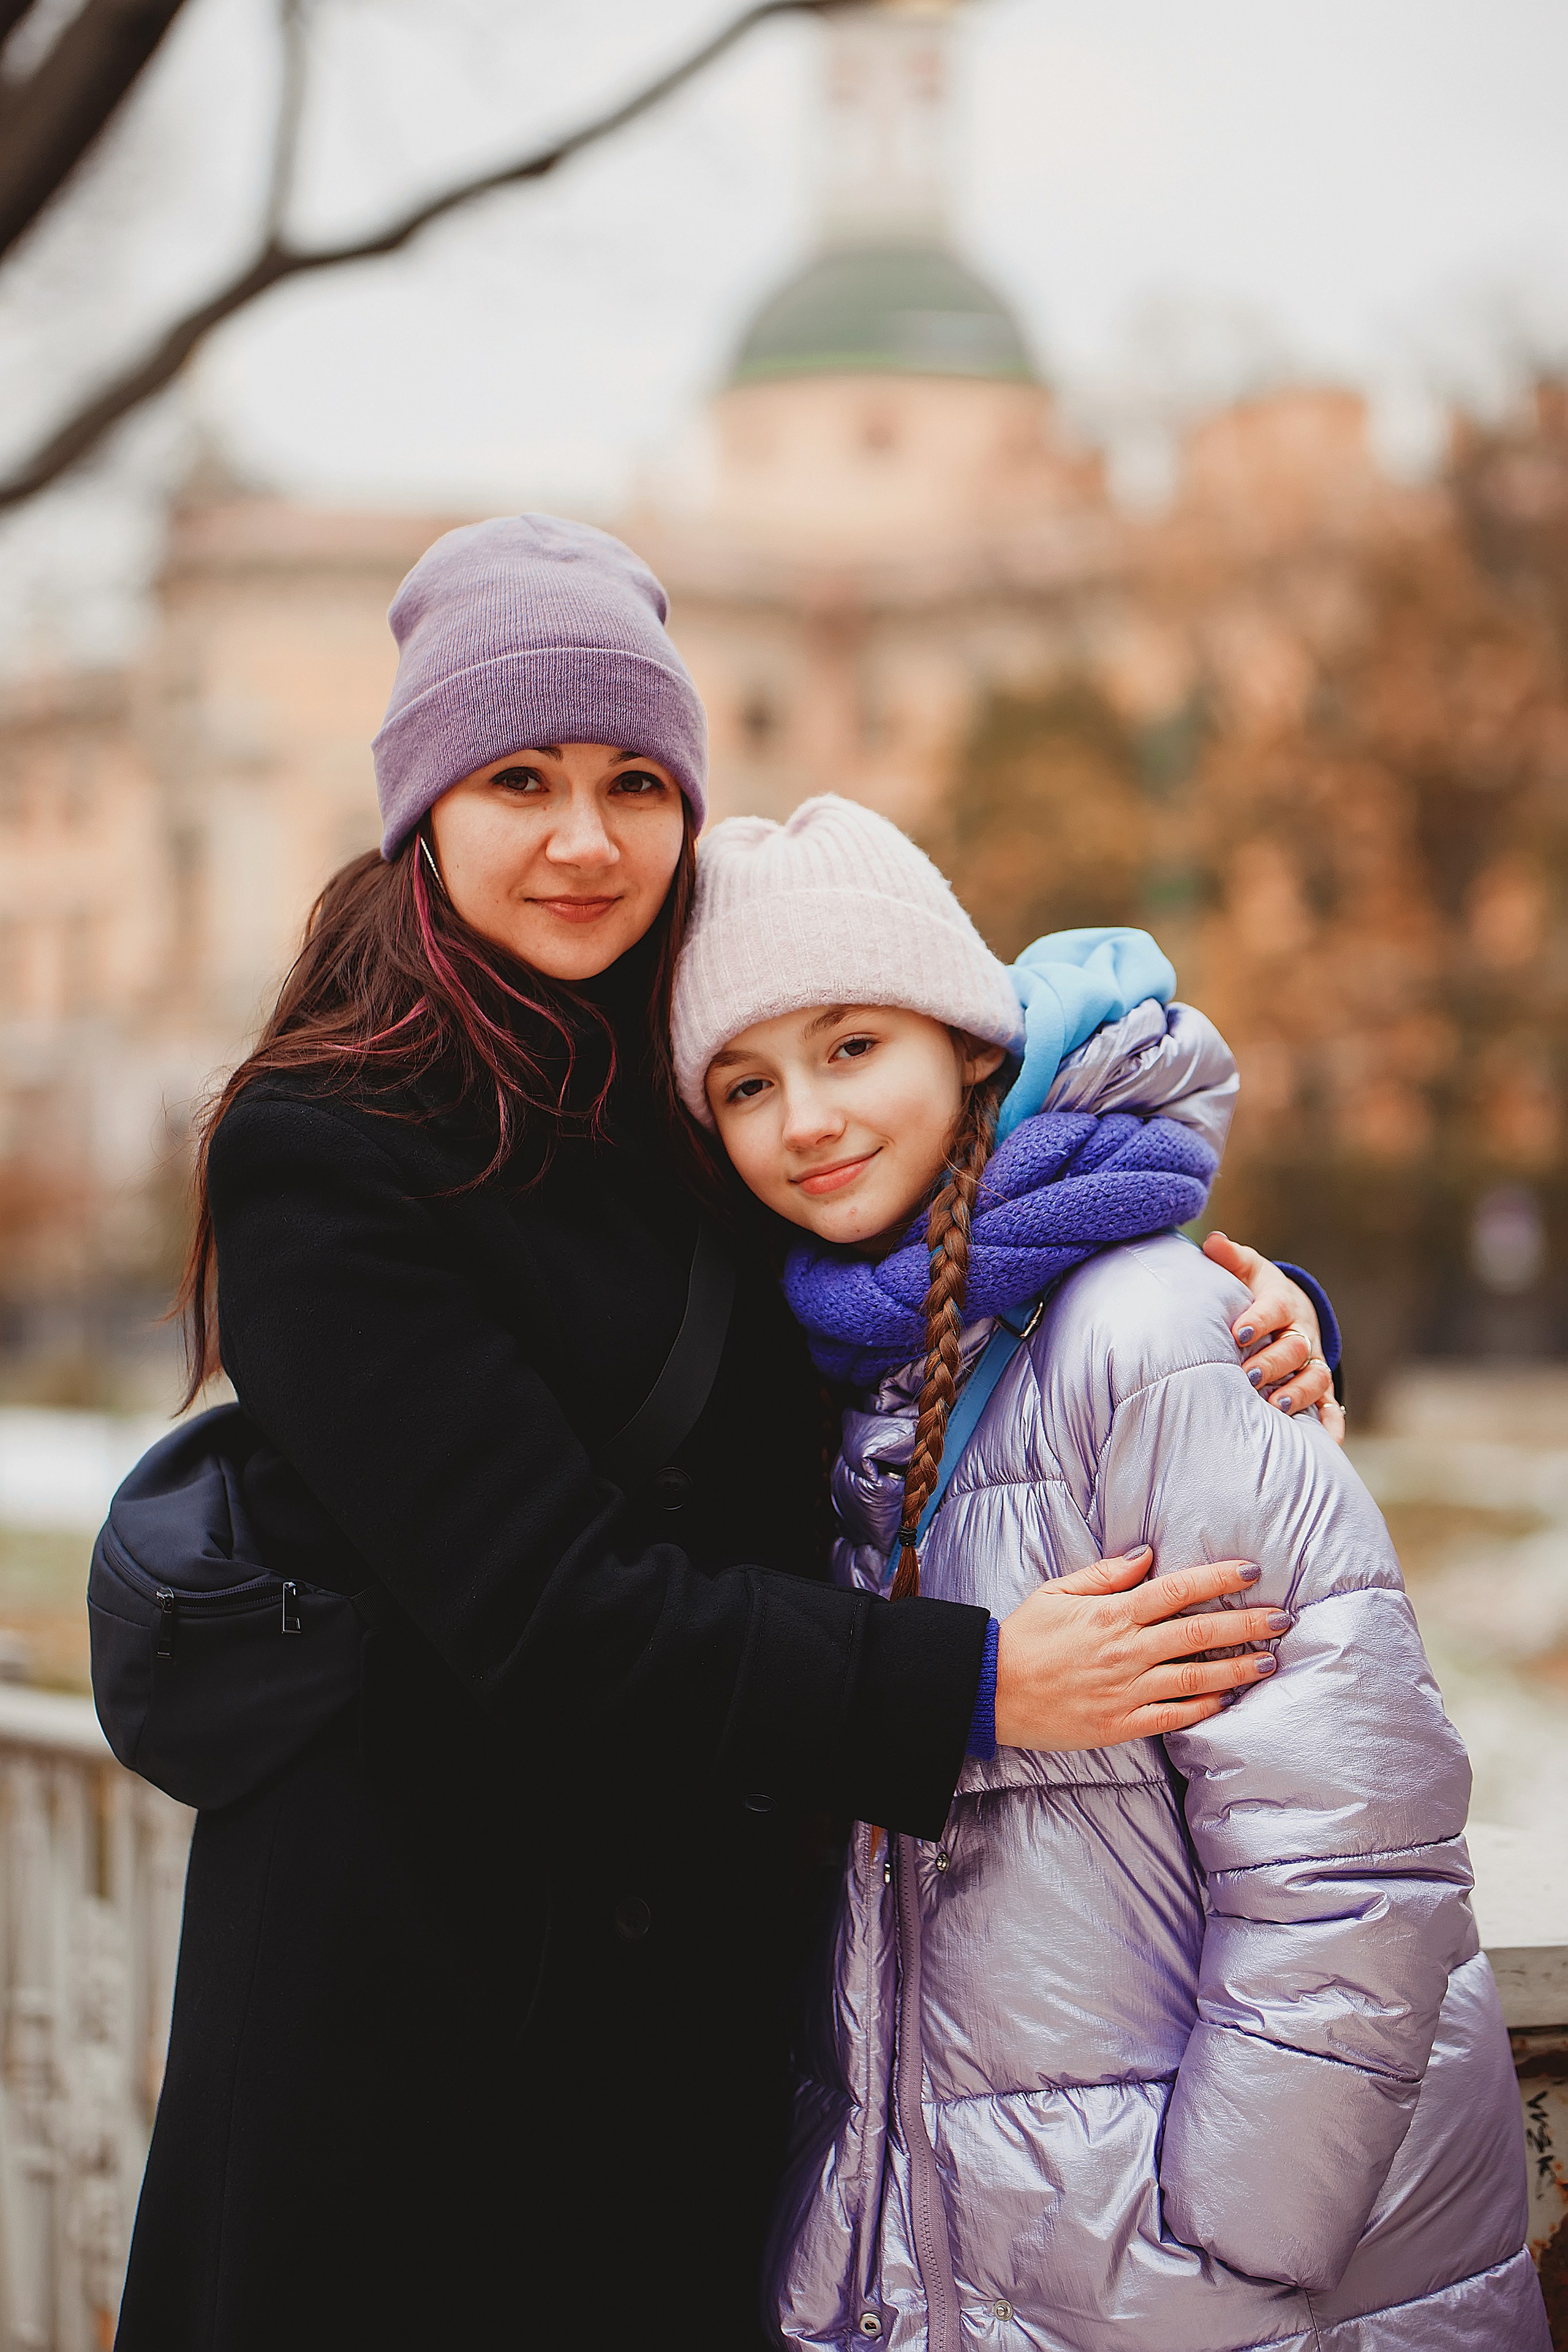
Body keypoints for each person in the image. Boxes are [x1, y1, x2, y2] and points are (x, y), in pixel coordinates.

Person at [115, 520, 1340, 2352]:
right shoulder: (332, 1144)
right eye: (519, 779)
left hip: (698, 2041)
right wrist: (983, 1686)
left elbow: (975, 1201)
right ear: (423, 809)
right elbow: (548, 1606)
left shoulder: (720, 1066)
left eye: (635, 782)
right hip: (414, 2038)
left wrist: (1259, 1306)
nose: (586, 837)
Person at [675, 794, 1547, 2352]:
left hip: (1235, 2283)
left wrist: (1219, 2250)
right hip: (993, 2259)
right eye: (747, 1083)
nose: (802, 1117)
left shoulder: (1142, 1337)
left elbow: (1348, 1844)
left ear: (967, 1050)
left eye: (851, 1046)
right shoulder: (833, 1381)